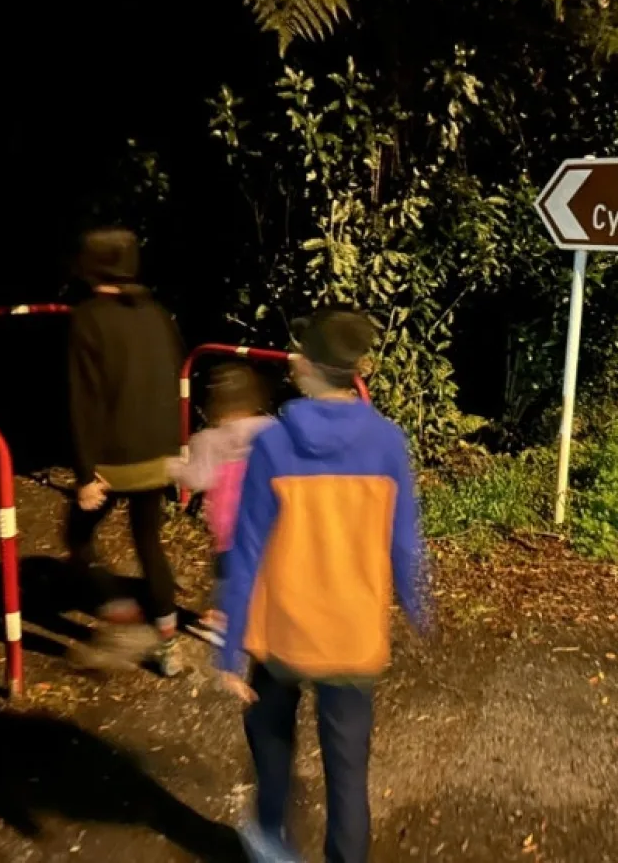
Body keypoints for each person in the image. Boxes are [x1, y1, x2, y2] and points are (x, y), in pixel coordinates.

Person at [216, 309, 429, 863]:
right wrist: (418, 608)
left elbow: (246, 551)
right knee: (348, 774)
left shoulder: (273, 444)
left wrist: (229, 644)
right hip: (352, 635)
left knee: (269, 735)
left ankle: (270, 838)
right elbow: (404, 543)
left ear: (304, 365)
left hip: (283, 630)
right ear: (357, 369)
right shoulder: (387, 442)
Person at [63, 227, 183, 677]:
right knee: (149, 542)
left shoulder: (87, 318)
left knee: (77, 537)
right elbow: (175, 376)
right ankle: (169, 647)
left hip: (113, 461)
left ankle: (122, 614)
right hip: (158, 454)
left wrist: (85, 474)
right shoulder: (157, 314)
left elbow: (83, 400)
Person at [166, 362, 274, 645]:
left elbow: (197, 478)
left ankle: (228, 624)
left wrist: (170, 466)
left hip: (230, 529)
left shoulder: (209, 441)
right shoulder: (270, 429)